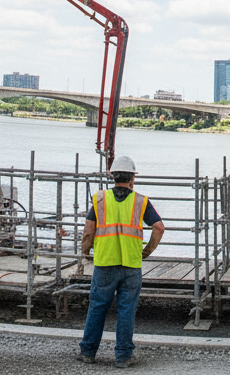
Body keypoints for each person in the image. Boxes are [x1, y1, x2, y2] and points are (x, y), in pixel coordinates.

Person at [79, 155, 165, 367]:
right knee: (126, 311)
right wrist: (147, 251)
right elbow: (159, 227)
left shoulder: (99, 199)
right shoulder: (140, 201)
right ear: (132, 178)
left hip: (105, 263)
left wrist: (85, 252)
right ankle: (123, 356)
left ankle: (88, 352)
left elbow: (88, 233)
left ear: (113, 176)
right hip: (131, 265)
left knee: (97, 307)